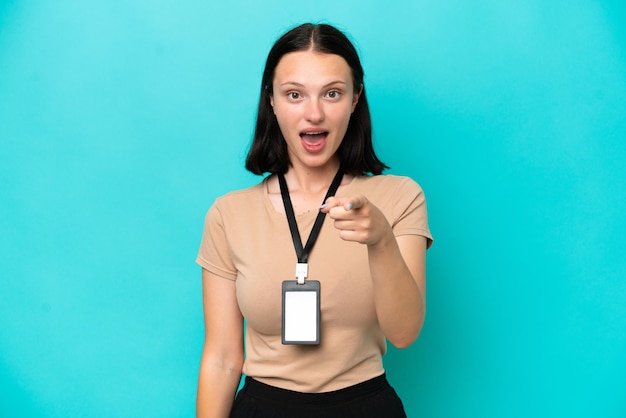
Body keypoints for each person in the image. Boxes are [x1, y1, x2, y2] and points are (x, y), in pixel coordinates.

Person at [196, 23, 433, 418]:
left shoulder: (400, 197)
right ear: (270, 100)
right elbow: (221, 358)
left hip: (365, 406)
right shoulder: (228, 214)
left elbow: (404, 333)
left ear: (356, 99)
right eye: (294, 94)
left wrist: (382, 241)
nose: (314, 113)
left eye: (333, 93)